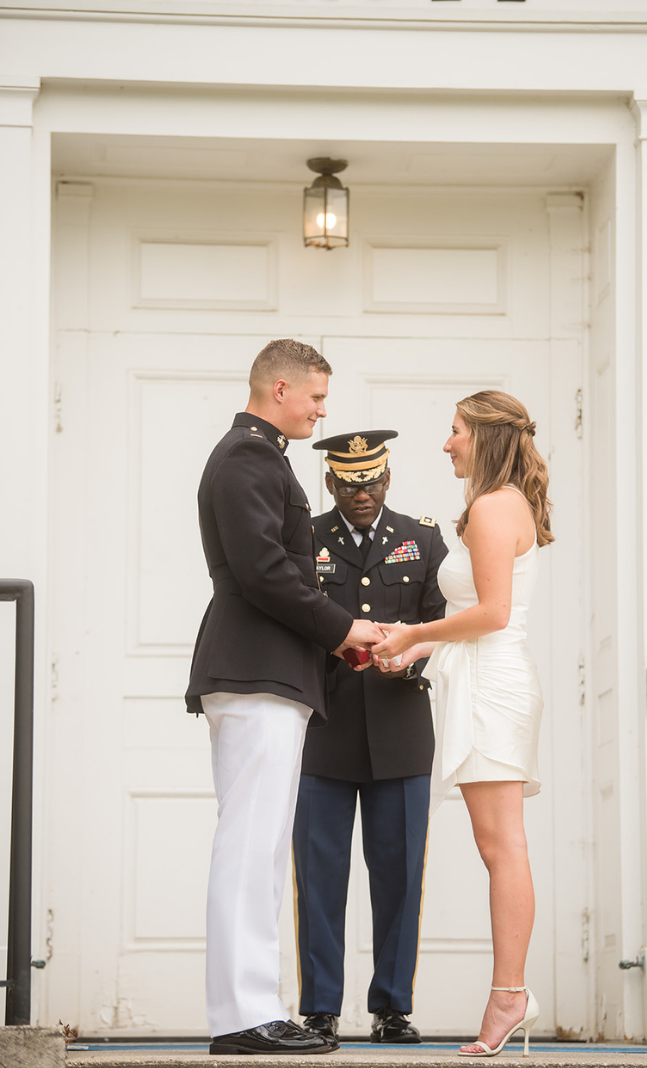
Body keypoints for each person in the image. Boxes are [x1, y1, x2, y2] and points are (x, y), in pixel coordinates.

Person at [185, 338, 384, 1055]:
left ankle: (256, 1005)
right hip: (254, 669)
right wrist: (344, 625)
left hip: (274, 670)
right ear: (278, 390)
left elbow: (275, 574)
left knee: (265, 847)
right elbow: (265, 570)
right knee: (250, 844)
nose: (322, 411)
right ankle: (242, 1015)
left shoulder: (262, 458)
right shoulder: (246, 457)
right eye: (316, 398)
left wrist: (334, 642)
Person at [370, 391, 552, 1054]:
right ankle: (510, 992)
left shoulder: (494, 506)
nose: (447, 444)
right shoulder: (499, 504)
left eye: (455, 432)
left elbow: (494, 613)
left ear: (485, 437)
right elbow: (475, 617)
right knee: (498, 845)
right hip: (482, 680)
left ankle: (509, 995)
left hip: (493, 687)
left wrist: (416, 629)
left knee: (503, 847)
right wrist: (412, 646)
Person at [292, 430, 449, 1046]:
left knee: (400, 874)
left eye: (374, 481)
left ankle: (392, 1007)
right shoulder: (305, 540)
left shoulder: (423, 537)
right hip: (324, 729)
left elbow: (442, 620)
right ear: (330, 484)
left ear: (389, 480)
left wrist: (409, 655)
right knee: (320, 874)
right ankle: (321, 1008)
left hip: (400, 726)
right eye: (351, 483)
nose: (364, 493)